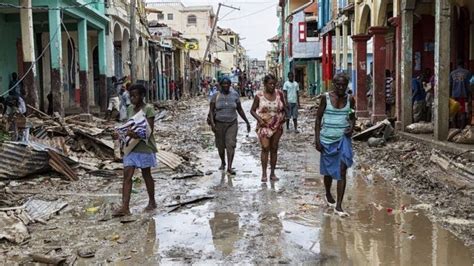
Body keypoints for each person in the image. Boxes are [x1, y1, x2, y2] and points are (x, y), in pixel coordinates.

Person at [113, 83, 157, 216]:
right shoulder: (130, 109)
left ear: (142, 96)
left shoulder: (148, 109)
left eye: (135, 96)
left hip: (144, 147)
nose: (132, 98)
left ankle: (152, 201)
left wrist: (134, 133)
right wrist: (120, 133)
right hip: (131, 146)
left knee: (146, 174)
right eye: (131, 96)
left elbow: (148, 131)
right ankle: (125, 207)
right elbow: (128, 125)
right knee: (127, 175)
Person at [315, 73, 355, 217]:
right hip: (326, 140)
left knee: (342, 171)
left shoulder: (350, 99)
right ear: (333, 84)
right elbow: (318, 118)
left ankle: (338, 206)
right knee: (328, 172)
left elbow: (352, 117)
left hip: (342, 140)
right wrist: (317, 139)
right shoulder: (326, 98)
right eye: (338, 84)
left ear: (347, 85)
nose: (340, 87)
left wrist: (351, 126)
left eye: (343, 85)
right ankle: (327, 193)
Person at [209, 77, 250, 175]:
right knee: (220, 146)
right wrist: (213, 124)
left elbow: (239, 109)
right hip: (219, 124)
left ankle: (230, 167)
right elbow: (211, 111)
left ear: (230, 85)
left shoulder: (235, 95)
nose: (226, 86)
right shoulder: (215, 96)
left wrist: (247, 121)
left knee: (230, 144)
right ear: (220, 85)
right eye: (224, 84)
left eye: (227, 84)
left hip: (232, 123)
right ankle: (223, 162)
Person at [250, 74, 287, 182]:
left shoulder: (279, 94)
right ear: (265, 84)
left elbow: (284, 108)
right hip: (264, 125)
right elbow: (252, 110)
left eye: (274, 84)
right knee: (265, 147)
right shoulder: (259, 96)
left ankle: (272, 173)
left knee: (274, 148)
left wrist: (284, 117)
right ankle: (264, 173)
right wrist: (259, 120)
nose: (272, 86)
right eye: (270, 84)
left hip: (277, 125)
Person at [450, 59, 472, 129]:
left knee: (454, 111)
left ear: (457, 65)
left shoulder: (452, 73)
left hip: (454, 95)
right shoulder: (467, 72)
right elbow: (470, 85)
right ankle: (461, 129)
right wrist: (470, 96)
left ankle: (454, 128)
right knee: (463, 112)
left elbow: (450, 85)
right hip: (463, 95)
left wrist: (450, 95)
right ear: (464, 64)